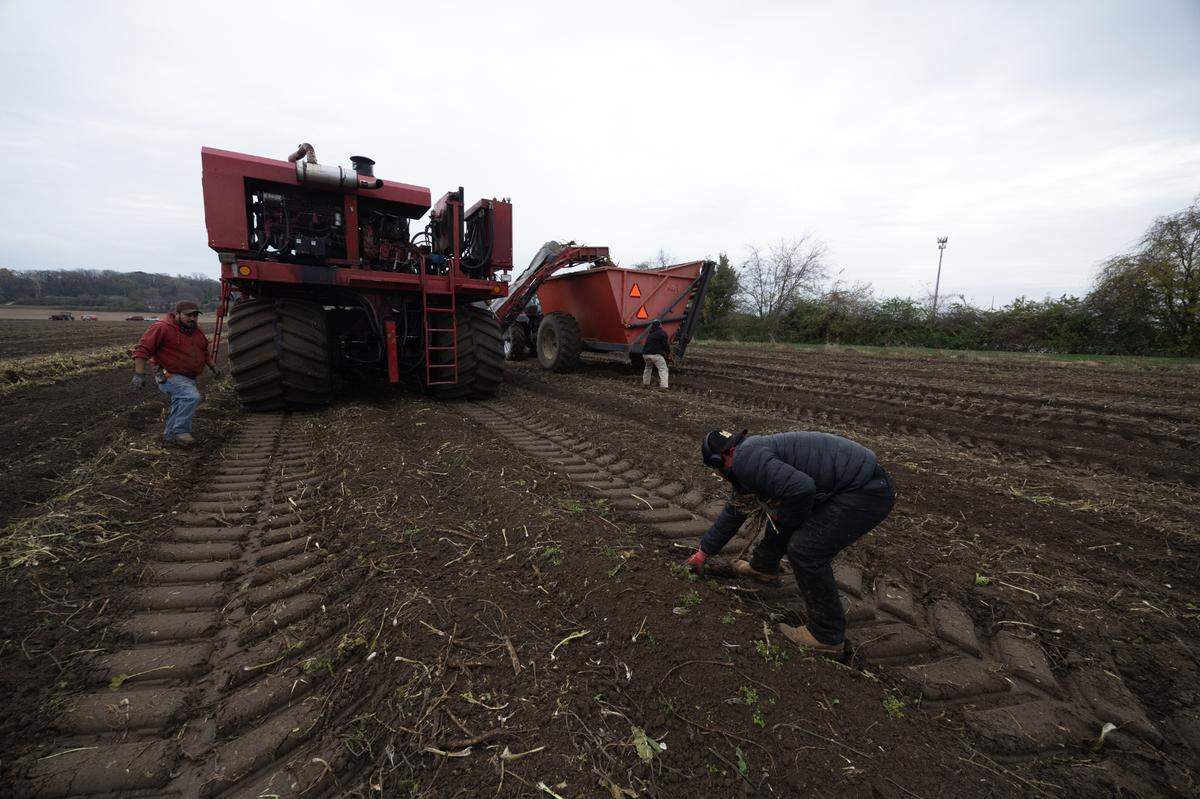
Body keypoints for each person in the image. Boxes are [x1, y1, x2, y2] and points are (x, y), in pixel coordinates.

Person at [684, 429, 895, 655]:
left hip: (865, 491)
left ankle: (827, 635)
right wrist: (704, 551)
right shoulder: (749, 454)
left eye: (717, 470)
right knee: (783, 513)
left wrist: (783, 517)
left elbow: (802, 489)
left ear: (719, 460)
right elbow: (735, 511)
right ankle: (763, 568)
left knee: (805, 549)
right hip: (860, 482)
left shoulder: (746, 461)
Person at [129, 300, 215, 446]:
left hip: (188, 377)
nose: (192, 318)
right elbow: (142, 349)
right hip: (168, 374)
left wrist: (213, 366)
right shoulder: (162, 328)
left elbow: (204, 350)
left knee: (180, 403)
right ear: (177, 314)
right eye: (188, 315)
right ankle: (180, 432)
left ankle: (169, 437)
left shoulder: (196, 331)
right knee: (191, 397)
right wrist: (139, 374)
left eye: (195, 315)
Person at [641, 319, 670, 388]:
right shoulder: (662, 333)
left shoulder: (651, 333)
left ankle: (646, 384)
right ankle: (664, 386)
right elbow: (665, 345)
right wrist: (668, 353)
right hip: (655, 355)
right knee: (663, 369)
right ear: (659, 325)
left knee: (648, 368)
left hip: (645, 354)